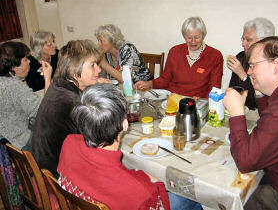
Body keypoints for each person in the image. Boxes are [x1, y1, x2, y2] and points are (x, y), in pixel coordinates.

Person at [58, 83, 202, 210]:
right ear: (125, 124)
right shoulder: (139, 192)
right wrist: (155, 182)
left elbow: (104, 177)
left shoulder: (68, 142)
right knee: (193, 197)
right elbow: (156, 200)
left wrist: (137, 175)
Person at [223, 36, 278, 210]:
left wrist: (236, 113)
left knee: (236, 196)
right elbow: (269, 121)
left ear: (276, 65)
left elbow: (245, 161)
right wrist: (258, 92)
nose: (248, 72)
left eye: (252, 65)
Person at [32, 40, 107, 178]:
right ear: (74, 70)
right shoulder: (71, 102)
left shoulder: (59, 86)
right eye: (92, 65)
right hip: (57, 177)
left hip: (44, 167)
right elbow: (96, 142)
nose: (99, 70)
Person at [135, 16, 223, 98]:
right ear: (184, 36)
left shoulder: (215, 56)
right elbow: (165, 79)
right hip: (173, 99)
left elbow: (215, 88)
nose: (193, 41)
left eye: (197, 37)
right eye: (189, 37)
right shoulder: (175, 51)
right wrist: (149, 84)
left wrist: (202, 101)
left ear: (203, 35)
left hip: (197, 102)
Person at [0, 41, 52, 150]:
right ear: (14, 67)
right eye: (25, 60)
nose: (29, 62)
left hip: (6, 136)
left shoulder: (6, 80)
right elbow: (44, 111)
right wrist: (47, 78)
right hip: (19, 143)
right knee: (55, 132)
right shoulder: (12, 85)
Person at [227, 17, 275, 110]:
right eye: (243, 38)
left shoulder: (272, 64)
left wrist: (242, 75)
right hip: (242, 110)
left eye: (248, 40)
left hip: (263, 113)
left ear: (264, 41)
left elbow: (259, 102)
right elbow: (232, 91)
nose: (243, 43)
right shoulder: (241, 57)